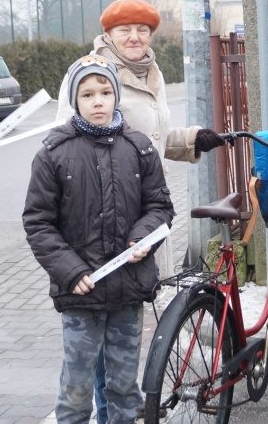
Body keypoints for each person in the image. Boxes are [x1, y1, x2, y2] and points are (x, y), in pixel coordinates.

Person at [55, 0, 223, 424]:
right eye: (125, 30)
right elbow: (66, 143)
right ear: (108, 35)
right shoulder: (89, 74)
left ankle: (118, 413)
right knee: (94, 336)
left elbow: (148, 138)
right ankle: (108, 413)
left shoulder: (151, 72)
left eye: (142, 30)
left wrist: (189, 139)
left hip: (139, 220)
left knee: (122, 334)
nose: (134, 37)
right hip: (97, 226)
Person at [24, 54, 174, 424]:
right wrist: (71, 272)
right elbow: (38, 223)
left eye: (105, 92)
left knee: (124, 387)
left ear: (116, 96)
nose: (98, 101)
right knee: (76, 389)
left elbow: (161, 208)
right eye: (88, 94)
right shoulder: (53, 153)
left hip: (128, 290)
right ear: (75, 100)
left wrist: (143, 239)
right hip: (81, 293)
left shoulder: (139, 148)